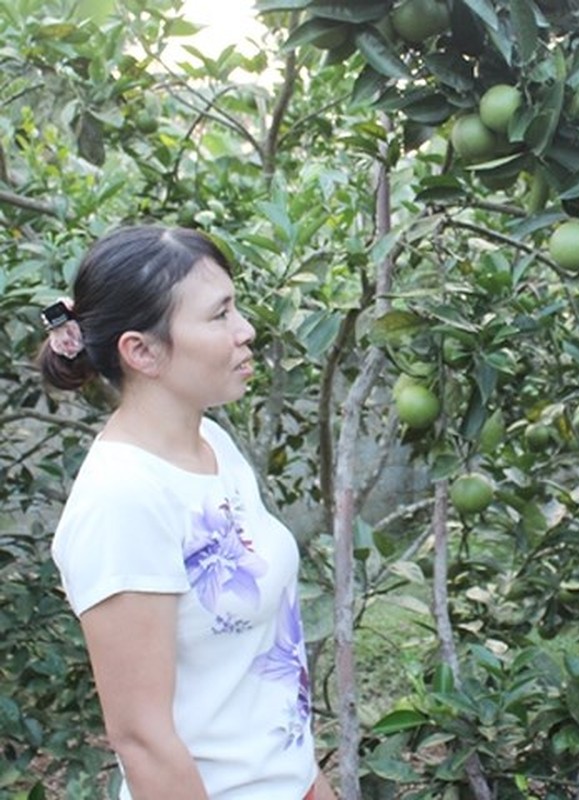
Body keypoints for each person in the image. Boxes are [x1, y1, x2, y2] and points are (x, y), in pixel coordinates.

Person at [39, 226, 336, 799]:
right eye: (220, 314)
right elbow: (143, 740)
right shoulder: (122, 501)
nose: (245, 330)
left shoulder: (212, 447)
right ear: (141, 350)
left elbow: (253, 683)